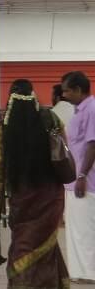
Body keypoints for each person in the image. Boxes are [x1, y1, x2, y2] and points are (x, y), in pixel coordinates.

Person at [0, 78, 71, 287]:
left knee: (22, 250)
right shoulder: (50, 119)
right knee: (45, 249)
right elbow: (64, 152)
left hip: (22, 200)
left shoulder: (2, 130)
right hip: (51, 198)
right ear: (33, 96)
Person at [64, 70, 95, 284]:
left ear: (78, 89)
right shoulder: (78, 110)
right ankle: (80, 271)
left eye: (67, 90)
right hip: (74, 179)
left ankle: (89, 272)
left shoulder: (91, 109)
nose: (64, 94)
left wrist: (82, 174)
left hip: (86, 180)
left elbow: (93, 143)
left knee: (85, 229)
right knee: (76, 228)